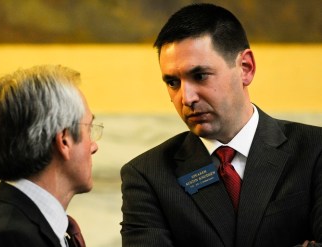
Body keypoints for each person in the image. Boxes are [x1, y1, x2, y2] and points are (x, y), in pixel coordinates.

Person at [120, 3, 322, 247]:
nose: (187, 98)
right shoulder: (148, 175)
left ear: (245, 68)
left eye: (200, 76)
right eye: (173, 82)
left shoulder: (314, 150)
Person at [0, 64, 103, 247]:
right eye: (89, 129)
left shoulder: (29, 224)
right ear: (64, 141)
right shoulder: (11, 238)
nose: (94, 146)